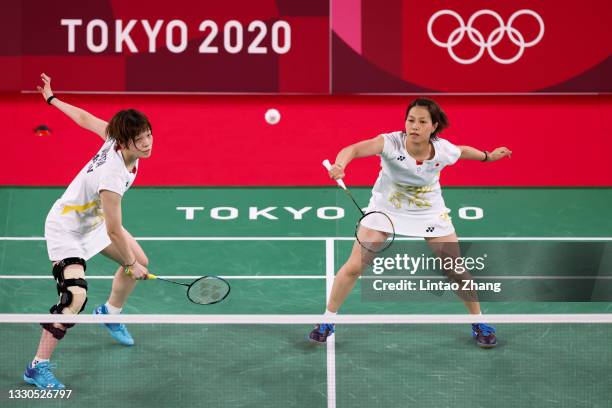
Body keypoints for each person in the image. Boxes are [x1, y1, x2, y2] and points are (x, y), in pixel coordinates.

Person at [309, 98, 512, 348]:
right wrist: (340, 165)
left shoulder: (444, 150)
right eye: (410, 120)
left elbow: (463, 150)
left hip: (428, 210)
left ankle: (479, 322)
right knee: (354, 267)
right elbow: (354, 148)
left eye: (422, 122)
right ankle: (327, 320)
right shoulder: (390, 143)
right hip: (386, 209)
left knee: (455, 269)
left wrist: (488, 156)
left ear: (433, 126)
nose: (414, 126)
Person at [24, 73, 153, 389]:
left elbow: (84, 118)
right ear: (125, 142)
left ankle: (110, 311)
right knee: (75, 296)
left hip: (91, 223)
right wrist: (129, 264)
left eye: (149, 135)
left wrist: (52, 99)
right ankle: (37, 366)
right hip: (66, 230)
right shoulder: (113, 176)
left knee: (141, 262)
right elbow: (114, 230)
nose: (147, 143)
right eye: (141, 140)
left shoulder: (115, 138)